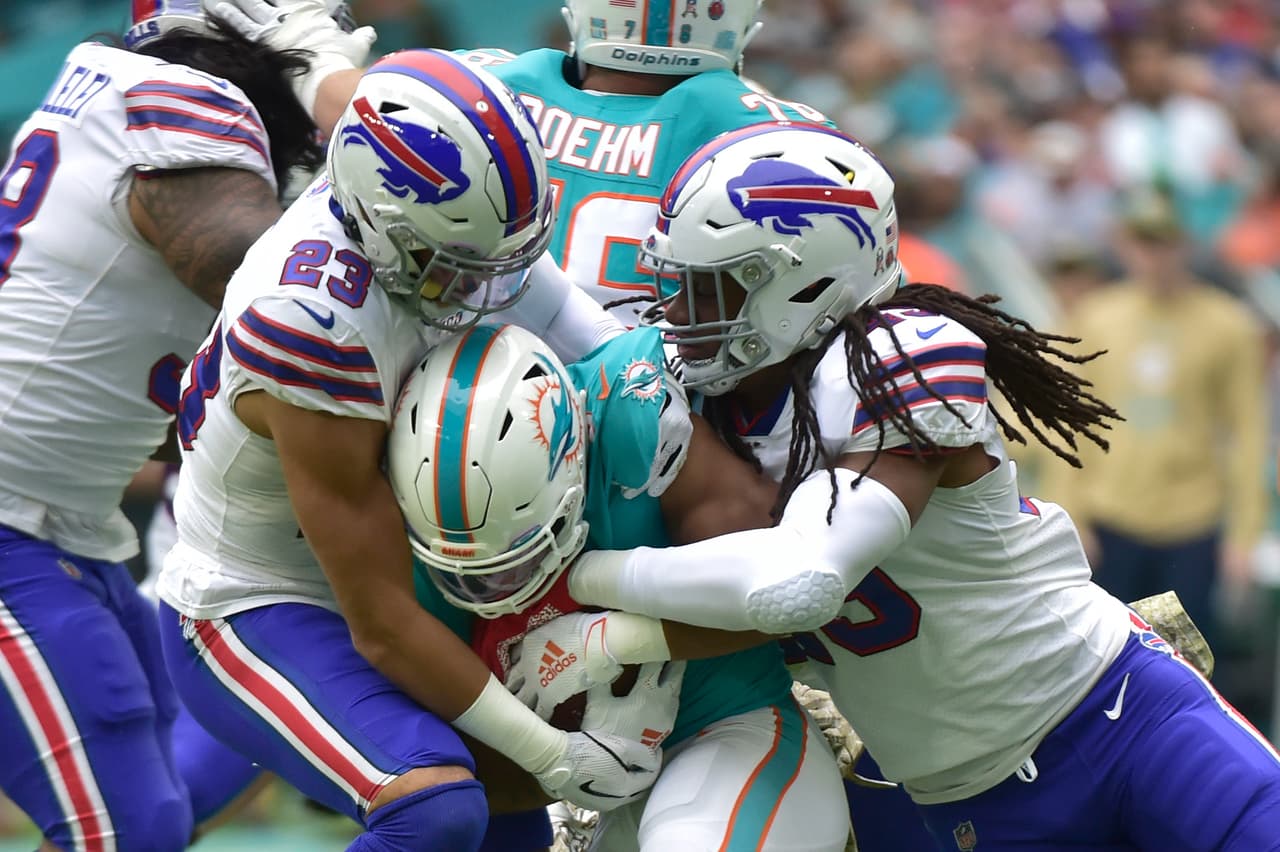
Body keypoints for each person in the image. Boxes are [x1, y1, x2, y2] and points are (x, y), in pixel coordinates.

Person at [511, 122, 1280, 851]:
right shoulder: (719, 399)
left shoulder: (899, 355)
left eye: (710, 288)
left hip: (1122, 722)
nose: (678, 312)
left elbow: (798, 583)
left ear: (805, 287)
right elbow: (580, 325)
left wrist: (593, 597)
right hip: (971, 799)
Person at [155, 49, 656, 852]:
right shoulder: (314, 327)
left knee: (510, 826)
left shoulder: (415, 189)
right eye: (458, 265)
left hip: (407, 579)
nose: (488, 285)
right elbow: (381, 622)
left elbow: (561, 311)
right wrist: (551, 756)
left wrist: (644, 381)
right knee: (435, 809)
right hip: (265, 602)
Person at [0, 1, 367, 848]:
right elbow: (284, 307)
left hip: (66, 523)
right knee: (131, 829)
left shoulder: (115, 86)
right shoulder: (184, 106)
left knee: (165, 787)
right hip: (13, 522)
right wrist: (335, 102)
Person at [389, 323, 850, 851]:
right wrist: (553, 759)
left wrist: (613, 639)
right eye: (466, 573)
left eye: (521, 557)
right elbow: (452, 775)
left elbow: (785, 591)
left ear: (575, 464)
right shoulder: (386, 553)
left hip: (730, 726)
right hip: (612, 802)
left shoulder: (629, 426)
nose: (497, 587)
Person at [214, 0, 833, 326]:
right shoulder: (782, 139)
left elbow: (349, 100)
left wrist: (310, 51)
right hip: (654, 439)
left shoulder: (484, 83)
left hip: (455, 432)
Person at [1044, 187, 1268, 657]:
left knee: (1189, 664)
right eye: (1142, 242)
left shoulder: (1227, 324)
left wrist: (1244, 533)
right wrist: (1071, 515)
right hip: (1112, 516)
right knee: (1102, 660)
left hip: (1192, 521)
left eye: (1163, 241)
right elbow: (1070, 423)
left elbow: (1248, 432)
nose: (1153, 256)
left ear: (1184, 244)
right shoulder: (1096, 316)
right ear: (1124, 245)